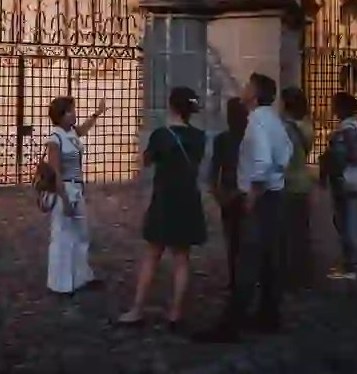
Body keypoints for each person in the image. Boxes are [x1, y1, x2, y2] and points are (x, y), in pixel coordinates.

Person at [194, 73, 293, 344]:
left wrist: (253, 195)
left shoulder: (256, 122)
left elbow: (261, 162)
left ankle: (230, 326)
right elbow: (285, 154)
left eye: (248, 86)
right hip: (274, 196)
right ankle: (268, 315)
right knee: (269, 260)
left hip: (260, 198)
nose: (244, 89)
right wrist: (274, 179)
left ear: (255, 93)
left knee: (247, 262)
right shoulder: (272, 119)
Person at [117, 86, 207, 330]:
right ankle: (175, 313)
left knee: (152, 255)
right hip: (189, 199)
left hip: (165, 199)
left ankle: (137, 309)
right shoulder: (199, 136)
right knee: (182, 258)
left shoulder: (161, 135)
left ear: (171, 106)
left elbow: (146, 161)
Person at [46, 95, 108, 295]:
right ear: (61, 115)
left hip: (76, 188)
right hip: (65, 189)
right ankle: (61, 284)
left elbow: (83, 130)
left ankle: (81, 277)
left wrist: (97, 114)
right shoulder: (55, 139)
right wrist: (64, 199)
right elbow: (55, 172)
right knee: (63, 235)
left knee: (81, 234)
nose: (74, 114)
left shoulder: (71, 133)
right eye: (70, 111)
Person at [318, 91, 357, 281]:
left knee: (345, 223)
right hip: (347, 181)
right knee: (345, 222)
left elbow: (353, 155)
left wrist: (332, 158)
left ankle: (349, 266)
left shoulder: (347, 129)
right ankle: (349, 262)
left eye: (335, 105)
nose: (332, 108)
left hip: (345, 182)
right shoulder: (352, 126)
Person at [209, 97, 249, 289]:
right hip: (245, 193)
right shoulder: (252, 138)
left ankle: (236, 278)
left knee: (233, 240)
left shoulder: (222, 140)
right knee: (246, 239)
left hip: (230, 193)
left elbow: (214, 169)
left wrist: (217, 194)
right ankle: (244, 277)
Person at [279, 86, 315, 292]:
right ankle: (304, 274)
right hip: (303, 182)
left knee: (287, 233)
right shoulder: (307, 126)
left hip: (288, 184)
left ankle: (290, 276)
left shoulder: (285, 129)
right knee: (301, 232)